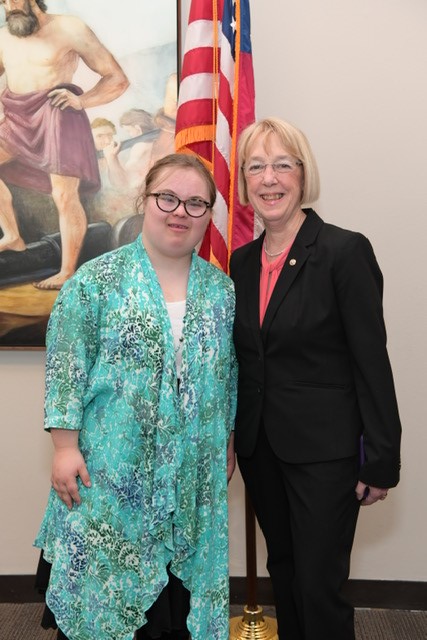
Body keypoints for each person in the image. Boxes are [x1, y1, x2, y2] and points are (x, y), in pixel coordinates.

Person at [34, 152, 238, 640]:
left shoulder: (222, 292)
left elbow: (227, 376)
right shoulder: (94, 282)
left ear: (209, 215)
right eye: (167, 197)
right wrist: (65, 448)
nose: (180, 212)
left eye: (195, 203)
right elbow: (66, 369)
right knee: (105, 611)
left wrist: (226, 439)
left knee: (177, 618)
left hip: (192, 482)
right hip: (109, 477)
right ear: (144, 200)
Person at [229, 117, 402, 640]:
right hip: (262, 448)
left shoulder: (344, 252)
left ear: (303, 176)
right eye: (256, 166)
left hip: (326, 454)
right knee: (284, 572)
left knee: (319, 585)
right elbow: (242, 361)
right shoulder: (239, 262)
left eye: (283, 164)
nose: (269, 178)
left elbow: (372, 361)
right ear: (243, 181)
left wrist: (382, 458)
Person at [0, 0, 129, 289]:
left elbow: (117, 79)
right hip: (17, 120)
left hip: (59, 116)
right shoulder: (3, 38)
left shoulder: (70, 27)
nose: (9, 7)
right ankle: (12, 236)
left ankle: (67, 271)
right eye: (3, 1)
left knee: (64, 196)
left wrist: (82, 100)